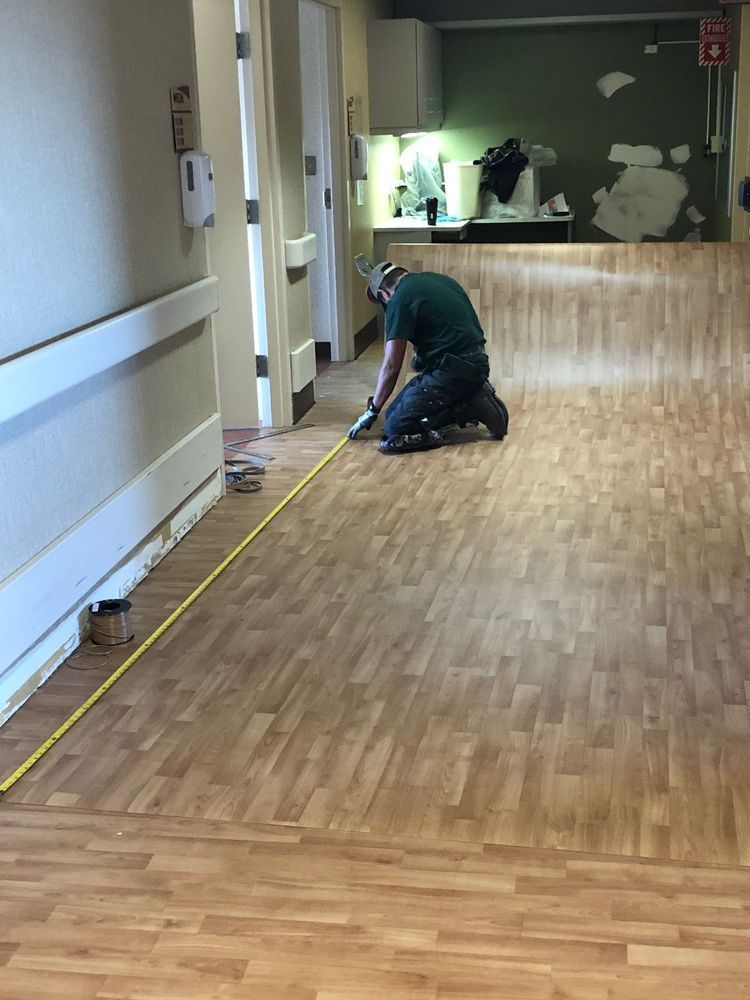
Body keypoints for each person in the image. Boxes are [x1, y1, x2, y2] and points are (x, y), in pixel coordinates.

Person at [347, 261, 509, 454]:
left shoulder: (399, 299)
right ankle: (471, 392)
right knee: (392, 413)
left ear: (383, 294)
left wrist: (373, 410)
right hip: (475, 361)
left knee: (396, 428)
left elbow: (391, 366)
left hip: (451, 370)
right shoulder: (438, 280)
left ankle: (470, 405)